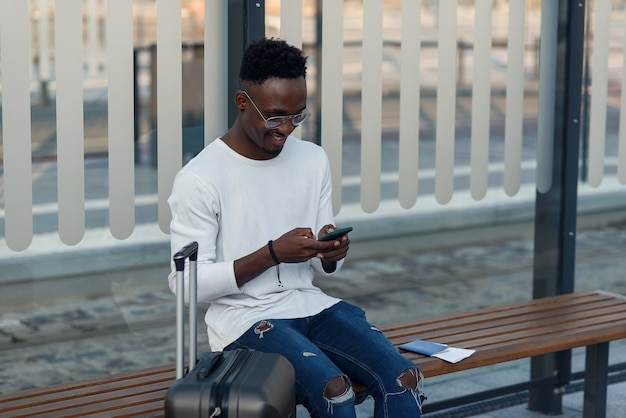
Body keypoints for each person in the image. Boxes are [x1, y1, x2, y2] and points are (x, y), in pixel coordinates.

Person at [167, 37, 424, 417]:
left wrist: (331, 254)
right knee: (335, 390)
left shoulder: (312, 159)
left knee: (404, 378)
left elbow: (321, 267)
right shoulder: (200, 178)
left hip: (312, 304)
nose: (286, 129)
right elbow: (184, 284)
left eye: (297, 116)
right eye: (274, 116)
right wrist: (271, 255)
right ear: (242, 102)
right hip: (245, 320)